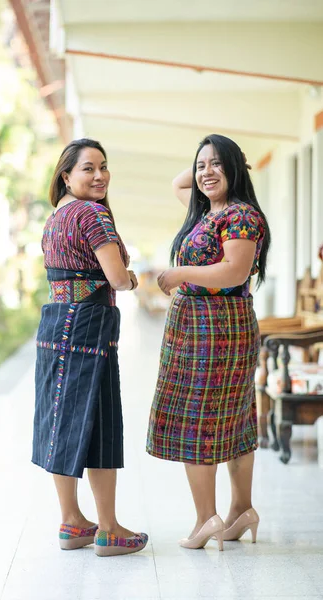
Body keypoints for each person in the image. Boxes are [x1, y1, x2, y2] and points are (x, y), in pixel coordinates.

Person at [146, 134, 270, 551]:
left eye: (217, 165)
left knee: (198, 420)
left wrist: (180, 274)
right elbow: (180, 184)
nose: (205, 173)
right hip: (201, 325)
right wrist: (211, 162)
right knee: (233, 417)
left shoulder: (240, 215)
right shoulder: (207, 212)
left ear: (235, 169)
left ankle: (206, 519)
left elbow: (234, 272)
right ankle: (240, 511)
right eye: (201, 165)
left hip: (216, 326)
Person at [32, 138, 148, 557]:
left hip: (55, 322)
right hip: (89, 328)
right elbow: (117, 279)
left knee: (58, 419)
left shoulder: (56, 217)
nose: (99, 176)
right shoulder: (94, 214)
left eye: (103, 167)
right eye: (88, 168)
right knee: (100, 423)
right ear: (66, 175)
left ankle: (71, 521)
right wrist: (133, 277)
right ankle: (110, 530)